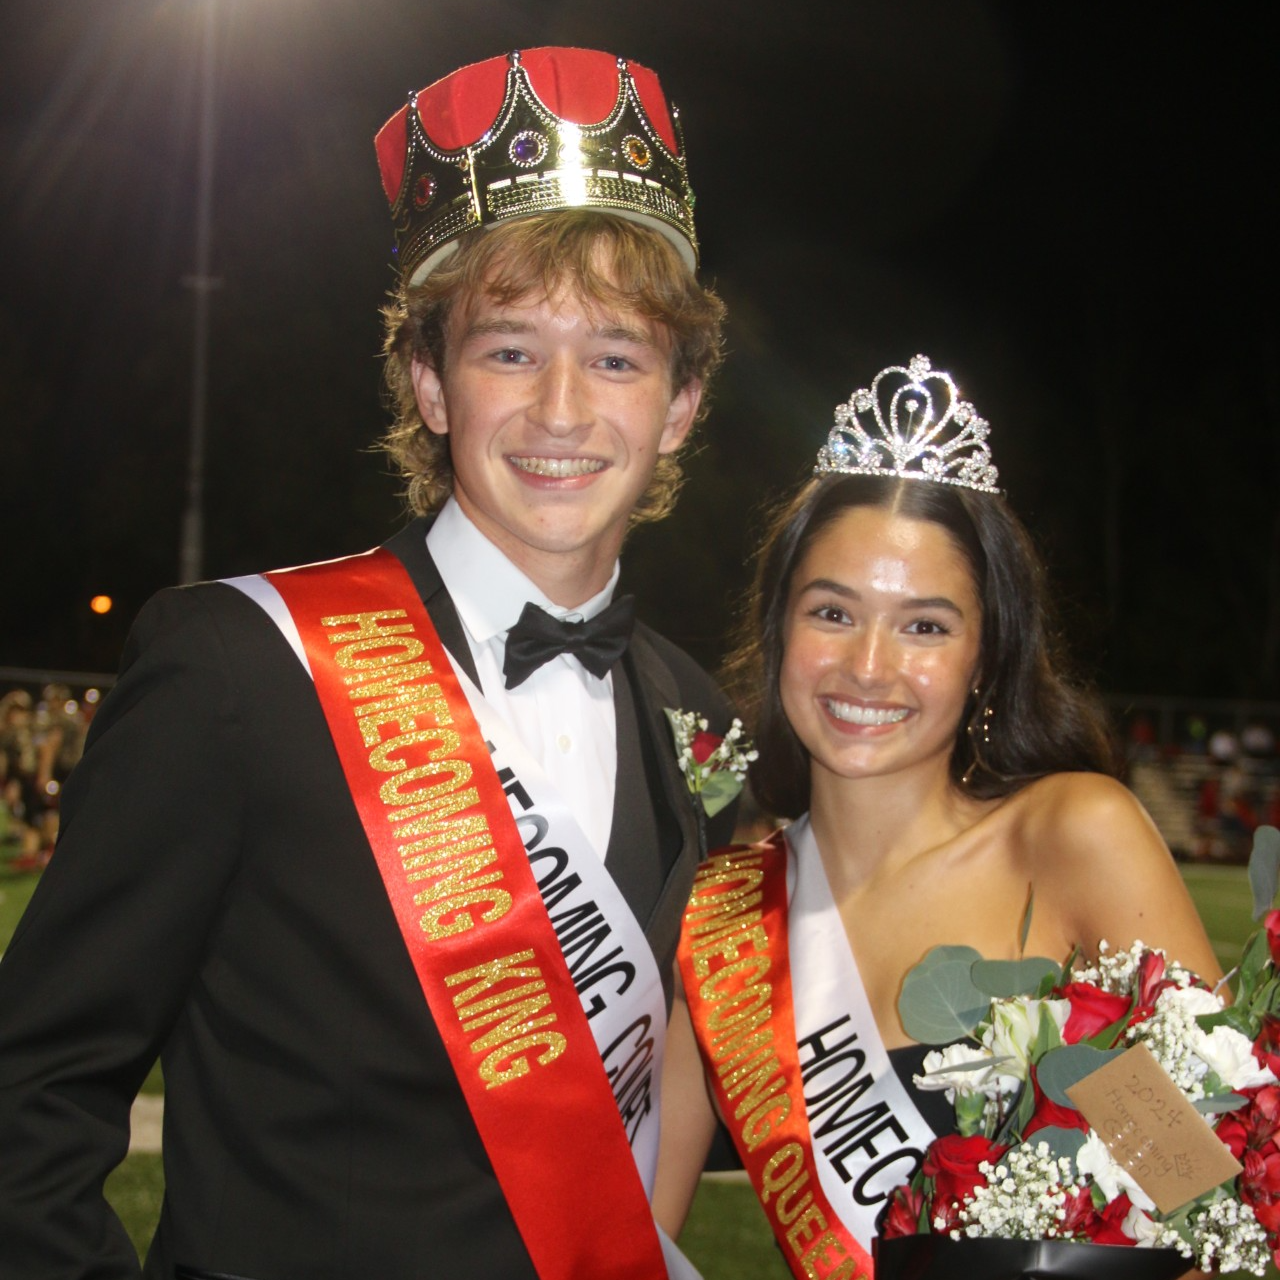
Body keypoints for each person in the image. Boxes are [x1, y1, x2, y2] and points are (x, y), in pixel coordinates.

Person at [0, 47, 737, 1280]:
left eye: (615, 356)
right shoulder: (240, 670)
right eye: (508, 350)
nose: (562, 409)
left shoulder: (697, 720)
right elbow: (27, 1094)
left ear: (680, 405)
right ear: (428, 383)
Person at [652, 354, 1221, 1278]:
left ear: (986, 656)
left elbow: (1199, 1205)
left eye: (925, 626)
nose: (869, 667)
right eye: (833, 612)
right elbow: (633, 1237)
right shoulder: (724, 918)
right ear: (779, 630)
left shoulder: (1070, 840)